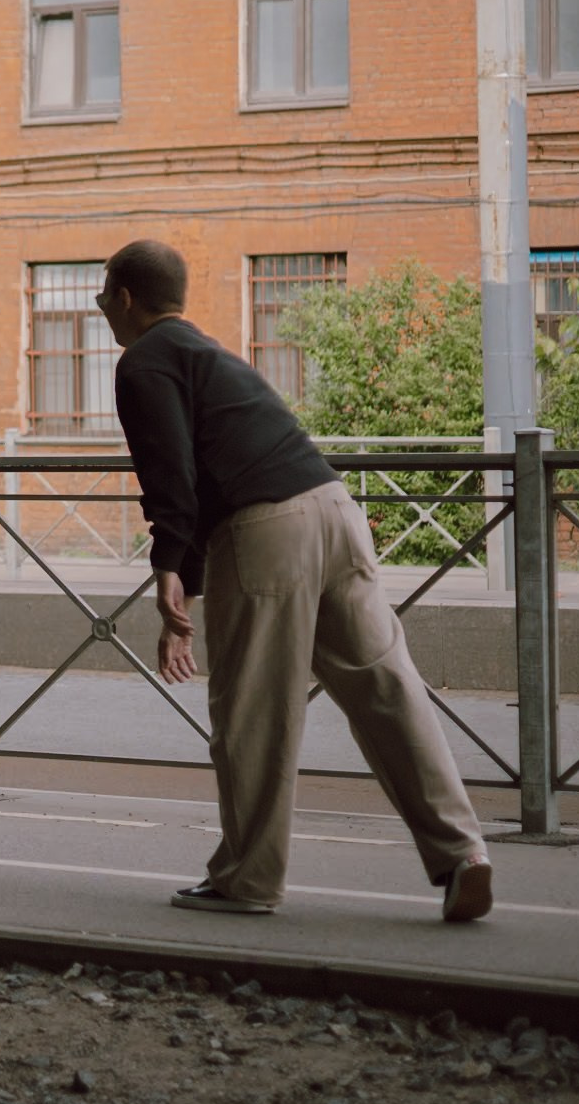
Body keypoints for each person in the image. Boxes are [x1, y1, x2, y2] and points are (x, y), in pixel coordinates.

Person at [99, 239, 493, 922]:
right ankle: (462, 852)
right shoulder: (212, 352)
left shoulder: (144, 362)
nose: (102, 308)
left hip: (265, 531)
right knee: (387, 688)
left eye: (104, 296)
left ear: (126, 299)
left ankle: (247, 879)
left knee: (254, 712)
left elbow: (172, 476)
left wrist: (171, 574)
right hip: (336, 511)